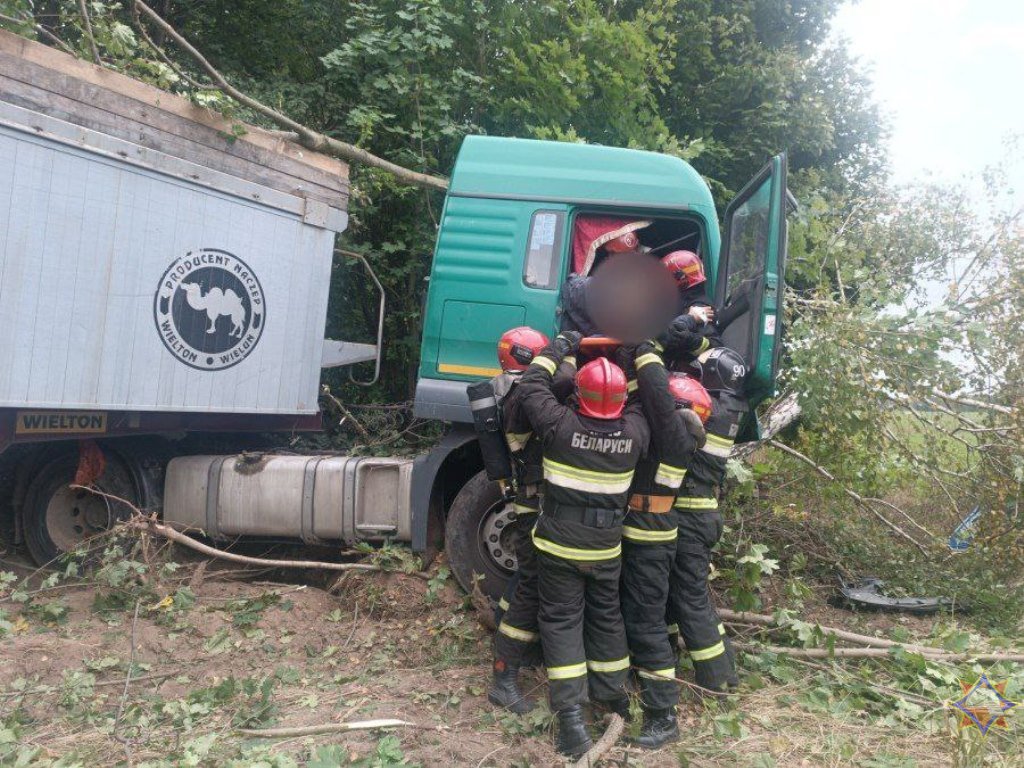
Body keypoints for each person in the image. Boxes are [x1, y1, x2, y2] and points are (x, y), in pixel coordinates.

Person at [517, 332, 650, 758]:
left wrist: (561, 347)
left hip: (558, 549)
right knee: (606, 619)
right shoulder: (635, 433)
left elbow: (530, 387)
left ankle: (572, 722)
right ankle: (613, 699)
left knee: (561, 625)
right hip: (606, 550)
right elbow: (646, 400)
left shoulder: (559, 425)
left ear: (579, 394)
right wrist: (629, 356)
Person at [619, 347, 709, 748]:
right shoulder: (675, 436)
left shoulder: (676, 437)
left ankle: (663, 716)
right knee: (643, 617)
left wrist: (646, 352)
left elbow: (652, 397)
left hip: (649, 541)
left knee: (645, 623)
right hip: (645, 535)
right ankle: (638, 686)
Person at [488, 327, 575, 714]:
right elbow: (568, 381)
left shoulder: (512, 387)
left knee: (526, 577)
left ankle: (502, 626)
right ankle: (504, 678)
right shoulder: (527, 393)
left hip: (531, 501)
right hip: (535, 504)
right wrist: (569, 350)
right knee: (532, 585)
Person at [665, 347, 748, 693]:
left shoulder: (707, 410)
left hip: (690, 515)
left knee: (690, 598)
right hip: (704, 513)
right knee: (680, 591)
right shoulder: (731, 407)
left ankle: (716, 679)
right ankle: (721, 670)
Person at [659, 250, 720, 364]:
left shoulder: (700, 308)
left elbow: (715, 347)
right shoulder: (683, 304)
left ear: (680, 277)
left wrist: (687, 338)